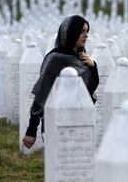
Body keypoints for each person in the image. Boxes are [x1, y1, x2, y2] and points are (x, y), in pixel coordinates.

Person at [22, 15, 99, 149]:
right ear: (70, 33)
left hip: (81, 120)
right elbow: (41, 95)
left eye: (87, 31)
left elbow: (91, 89)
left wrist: (93, 66)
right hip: (57, 122)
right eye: (82, 31)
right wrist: (31, 130)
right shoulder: (55, 59)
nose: (86, 35)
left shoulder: (83, 57)